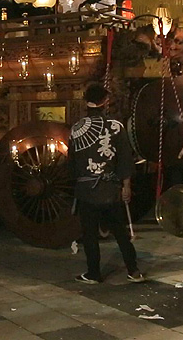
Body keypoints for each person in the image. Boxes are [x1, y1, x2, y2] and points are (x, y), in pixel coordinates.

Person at [68, 83, 145, 284]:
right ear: (105, 102)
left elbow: (72, 164)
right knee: (120, 231)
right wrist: (126, 185)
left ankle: (93, 273)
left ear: (86, 102)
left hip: (86, 191)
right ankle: (133, 270)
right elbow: (125, 159)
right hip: (110, 190)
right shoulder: (115, 127)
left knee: (90, 235)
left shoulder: (76, 130)